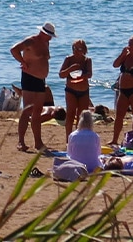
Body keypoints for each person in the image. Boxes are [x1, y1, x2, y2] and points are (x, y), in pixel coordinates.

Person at [10, 23, 56, 151]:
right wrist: (23, 62)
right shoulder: (31, 41)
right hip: (29, 77)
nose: (51, 38)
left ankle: (38, 142)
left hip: (41, 80)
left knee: (37, 111)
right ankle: (21, 141)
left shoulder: (46, 43)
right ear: (43, 33)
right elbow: (14, 49)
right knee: (27, 110)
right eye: (49, 36)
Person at [59, 40, 93, 134]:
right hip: (71, 90)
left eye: (79, 48)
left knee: (82, 116)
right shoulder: (69, 59)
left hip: (83, 90)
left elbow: (90, 74)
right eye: (74, 48)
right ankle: (68, 139)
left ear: (84, 50)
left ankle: (79, 136)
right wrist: (70, 69)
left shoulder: (87, 60)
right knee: (70, 114)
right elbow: (61, 74)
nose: (76, 51)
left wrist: (83, 76)